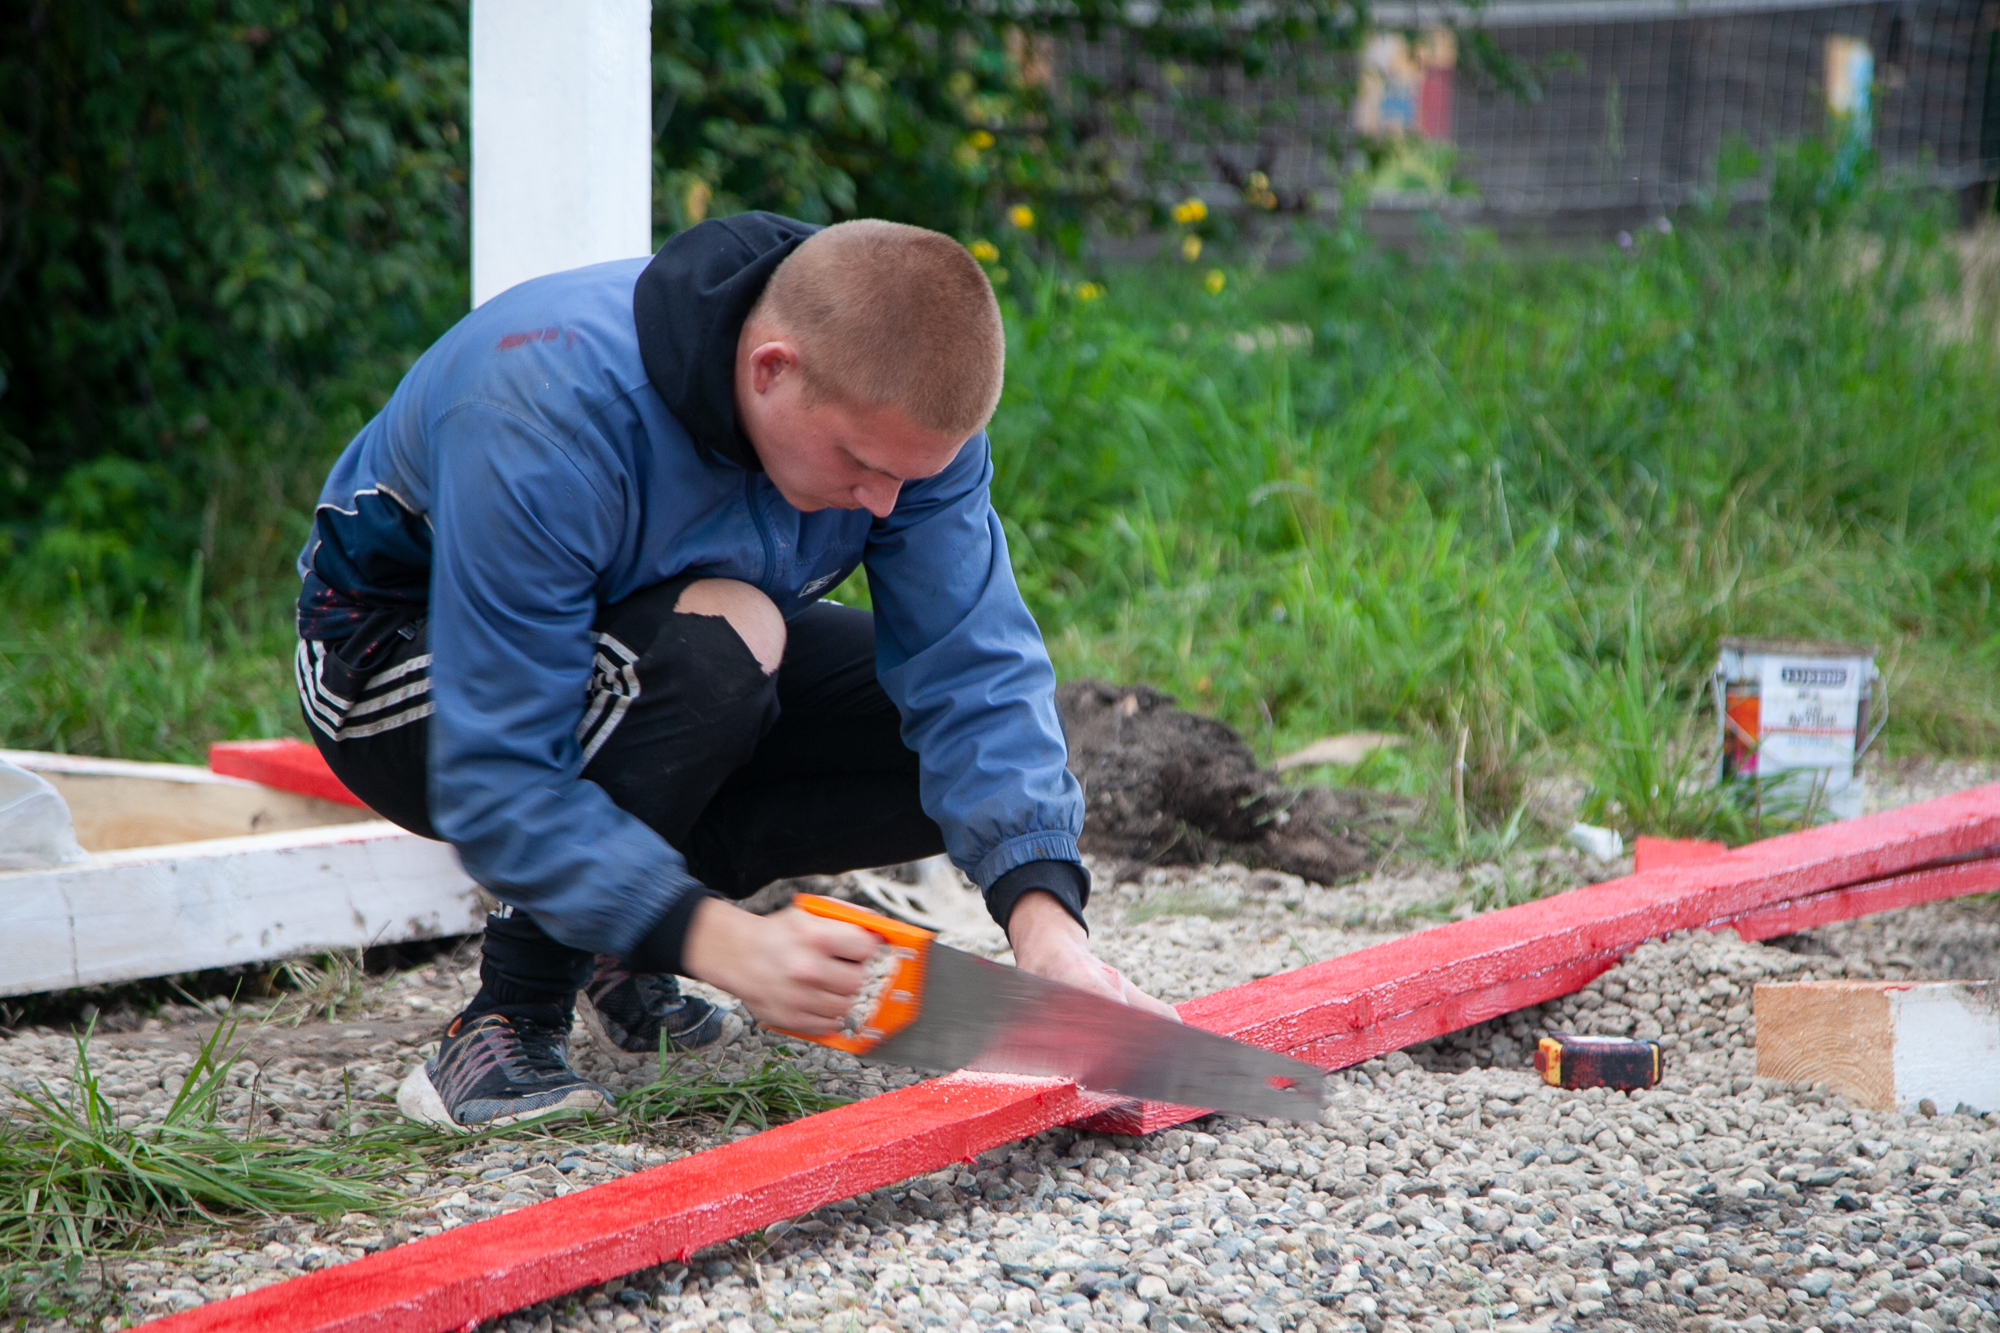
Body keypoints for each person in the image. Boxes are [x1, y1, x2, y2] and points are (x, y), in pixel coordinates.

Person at [293, 212, 1174, 1130]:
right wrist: (722, 939)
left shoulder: (903, 426)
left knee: (929, 745)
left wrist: (1049, 938)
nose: (885, 503)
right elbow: (495, 771)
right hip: (395, 669)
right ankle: (504, 1018)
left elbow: (974, 668)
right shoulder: (544, 405)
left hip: (654, 641)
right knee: (724, 642)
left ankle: (621, 931)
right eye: (863, 467)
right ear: (772, 369)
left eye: (912, 479)